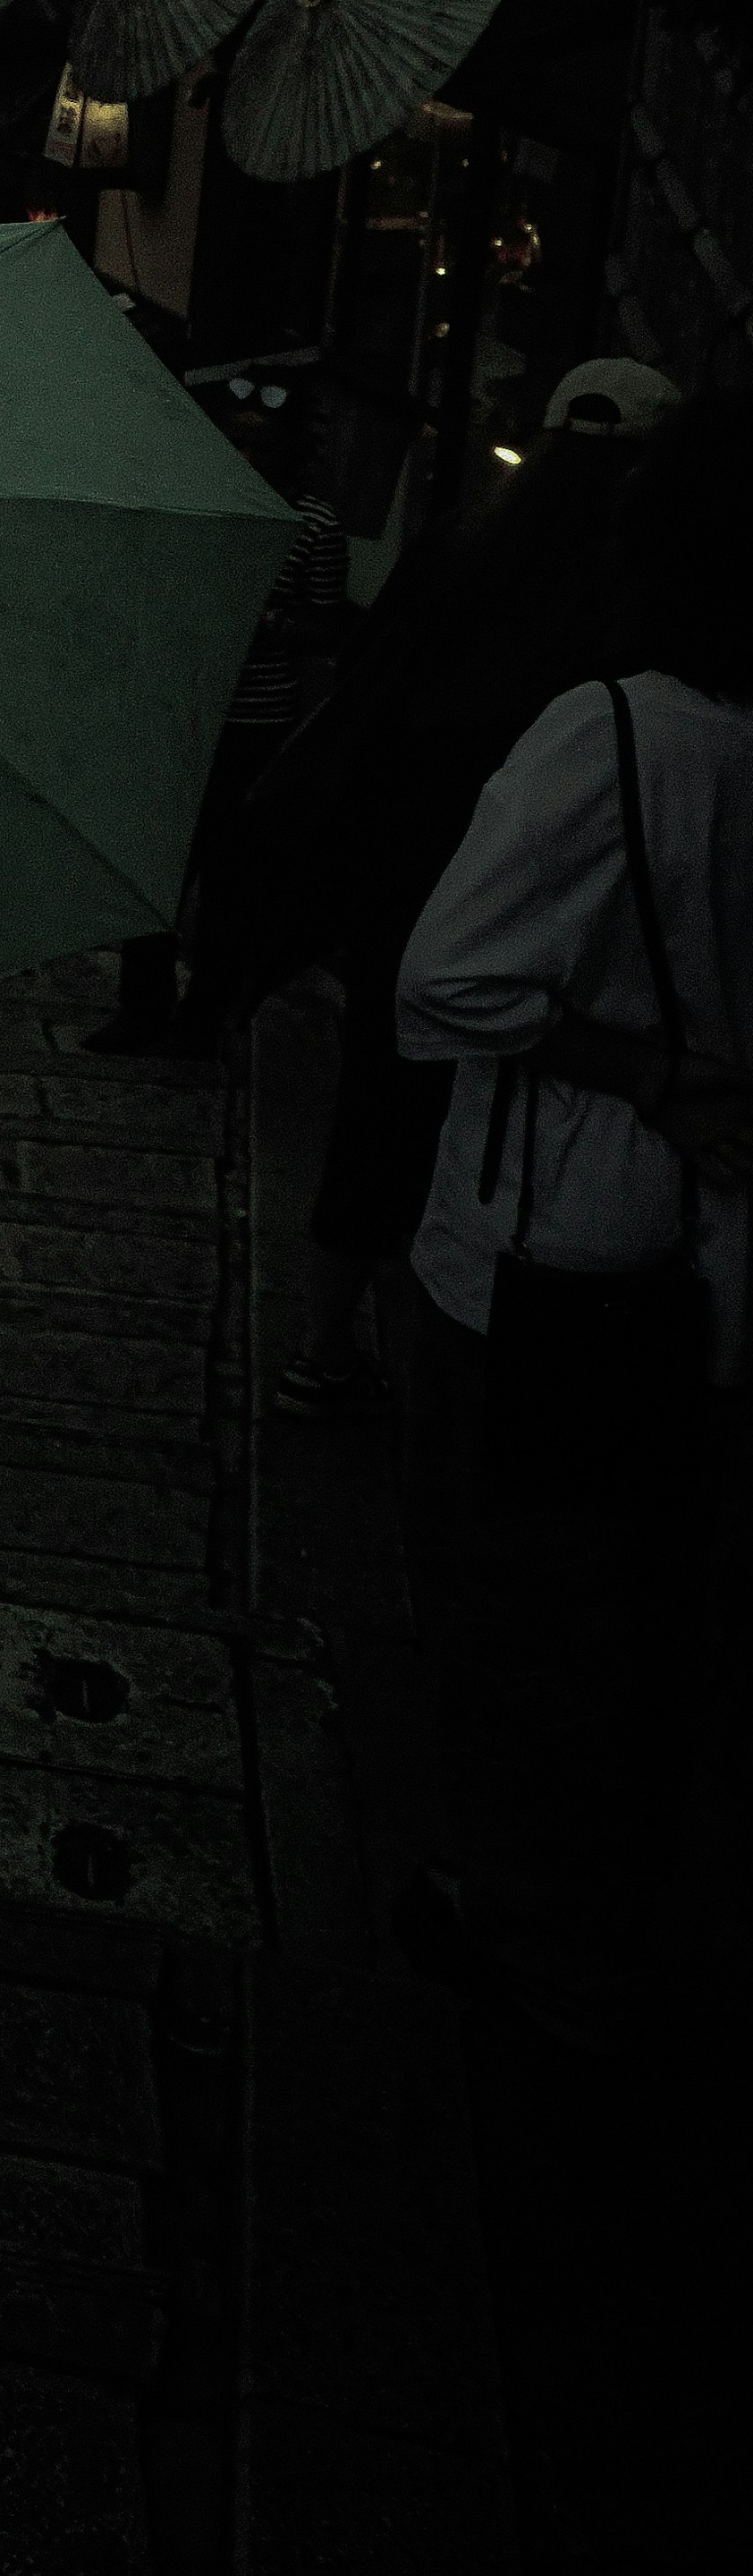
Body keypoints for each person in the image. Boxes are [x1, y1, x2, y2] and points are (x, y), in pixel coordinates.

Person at [387, 395, 753, 2018]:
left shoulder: (616, 736)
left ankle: (522, 1922)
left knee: (521, 1588)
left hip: (557, 1250)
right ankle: (624, 1892)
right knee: (651, 1599)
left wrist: (635, 1063)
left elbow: (447, 982)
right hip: (714, 1264)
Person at [207, 353, 681, 1410]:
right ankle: (462, 1359)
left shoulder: (463, 548)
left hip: (407, 874)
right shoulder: (626, 605)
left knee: (380, 1104)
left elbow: (374, 695)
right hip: (548, 890)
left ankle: (326, 1345)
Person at [90, 361, 351, 1053]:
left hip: (256, 726)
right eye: (237, 443)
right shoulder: (197, 503)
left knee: (234, 882)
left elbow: (327, 624)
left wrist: (260, 617)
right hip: (184, 711)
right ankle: (140, 1006)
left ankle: (205, 1015)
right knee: (154, 867)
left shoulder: (314, 525)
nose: (248, 458)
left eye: (262, 447)